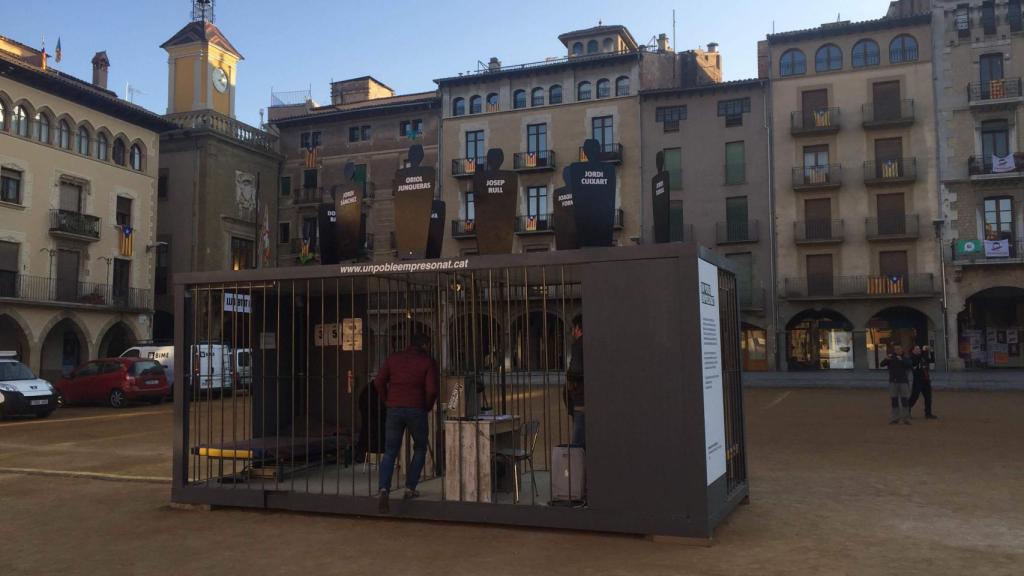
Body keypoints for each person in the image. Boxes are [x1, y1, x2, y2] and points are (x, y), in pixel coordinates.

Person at [373, 333, 439, 514]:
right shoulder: (427, 361)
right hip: (416, 408)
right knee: (420, 447)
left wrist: (387, 400)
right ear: (425, 345)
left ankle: (384, 489)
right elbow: (432, 390)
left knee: (390, 451)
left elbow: (378, 381)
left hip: (394, 408)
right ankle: (410, 487)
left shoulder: (394, 358)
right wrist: (427, 406)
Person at [880, 344, 912, 425]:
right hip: (893, 382)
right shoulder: (891, 358)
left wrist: (901, 360)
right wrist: (886, 359)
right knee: (894, 400)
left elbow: (909, 365)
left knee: (904, 400)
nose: (897, 350)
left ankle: (905, 418)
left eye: (898, 349)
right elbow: (882, 364)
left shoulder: (905, 357)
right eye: (896, 349)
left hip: (903, 381)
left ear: (902, 349)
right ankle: (895, 418)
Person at [566, 314, 585, 447]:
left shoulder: (578, 345)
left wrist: (569, 377)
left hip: (580, 400)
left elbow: (575, 371)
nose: (571, 331)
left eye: (572, 328)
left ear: (578, 328)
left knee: (577, 445)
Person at [909, 345, 937, 420]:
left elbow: (932, 360)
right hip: (918, 380)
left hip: (926, 380)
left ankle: (928, 413)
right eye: (916, 349)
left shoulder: (922, 357)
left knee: (928, 397)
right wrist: (924, 351)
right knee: (914, 396)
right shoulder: (912, 358)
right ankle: (906, 411)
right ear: (913, 351)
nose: (919, 350)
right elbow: (916, 362)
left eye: (919, 349)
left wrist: (931, 351)